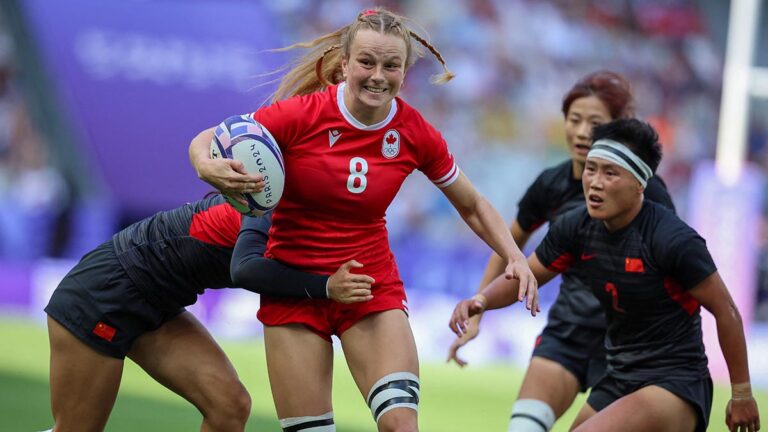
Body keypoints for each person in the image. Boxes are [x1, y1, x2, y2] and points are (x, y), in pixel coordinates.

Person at [189, 8, 538, 432]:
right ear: (345, 63)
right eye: (367, 62)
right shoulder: (301, 114)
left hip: (368, 289)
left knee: (400, 426)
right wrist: (204, 165)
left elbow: (471, 203)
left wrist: (514, 256)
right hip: (294, 291)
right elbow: (213, 137)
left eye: (391, 65)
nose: (378, 75)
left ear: (405, 71)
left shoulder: (415, 131)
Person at [449, 118, 761, 432]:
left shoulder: (671, 239)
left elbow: (726, 310)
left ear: (640, 183)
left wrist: (742, 393)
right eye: (591, 168)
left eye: (610, 173)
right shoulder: (576, 226)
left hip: (674, 382)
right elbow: (525, 275)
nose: (595, 182)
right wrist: (481, 300)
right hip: (619, 378)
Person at [446, 71, 676, 431]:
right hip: (568, 331)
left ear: (617, 130)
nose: (583, 131)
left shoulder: (650, 193)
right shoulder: (550, 185)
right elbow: (509, 246)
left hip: (628, 345)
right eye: (575, 120)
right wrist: (480, 307)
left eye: (595, 123)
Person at [45, 194, 374, 432]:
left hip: (158, 302)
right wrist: (326, 287)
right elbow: (247, 270)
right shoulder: (274, 197)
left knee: (229, 407)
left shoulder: (321, 208)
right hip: (105, 292)